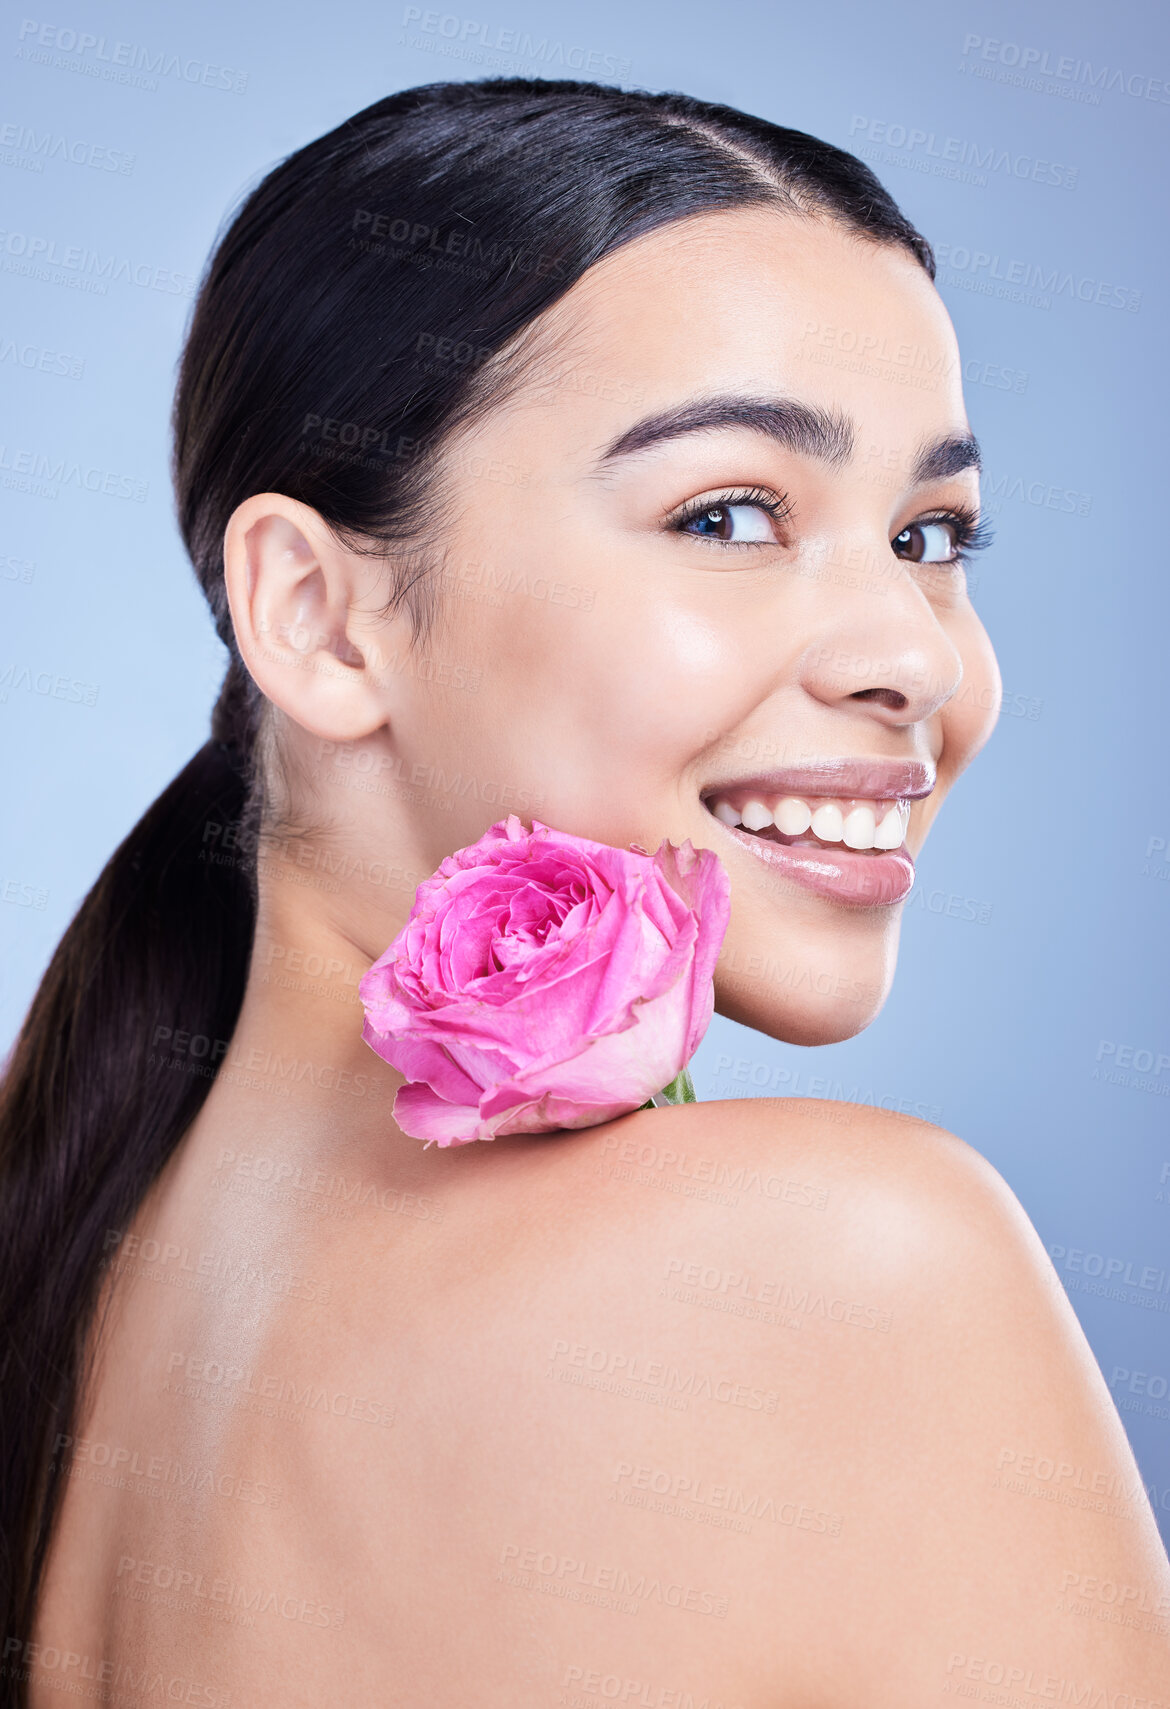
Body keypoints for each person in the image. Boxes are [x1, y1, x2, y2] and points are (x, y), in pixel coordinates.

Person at [3, 76, 1167, 1707]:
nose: (917, 657)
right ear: (324, 618)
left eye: (928, 532)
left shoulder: (83, 1276)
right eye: (730, 512)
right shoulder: (852, 1261)